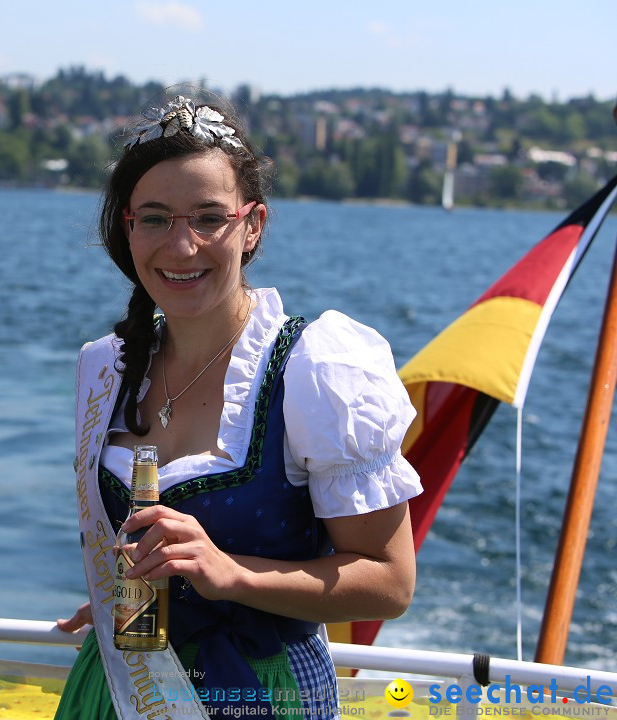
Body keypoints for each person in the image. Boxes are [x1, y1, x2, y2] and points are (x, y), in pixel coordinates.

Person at [55, 94, 422, 719]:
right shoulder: (107, 367)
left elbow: (390, 583)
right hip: (123, 683)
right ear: (127, 226)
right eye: (155, 218)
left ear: (252, 225)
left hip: (260, 696)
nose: (181, 246)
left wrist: (233, 576)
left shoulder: (315, 368)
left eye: (208, 218)